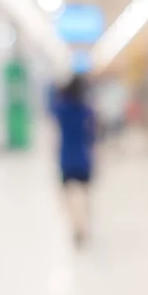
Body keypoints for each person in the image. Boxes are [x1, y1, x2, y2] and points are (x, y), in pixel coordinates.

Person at [53, 75, 95, 247]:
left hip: (67, 160)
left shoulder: (62, 110)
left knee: (70, 196)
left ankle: (76, 226)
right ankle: (83, 225)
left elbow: (52, 106)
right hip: (84, 160)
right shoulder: (86, 111)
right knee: (83, 195)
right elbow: (92, 136)